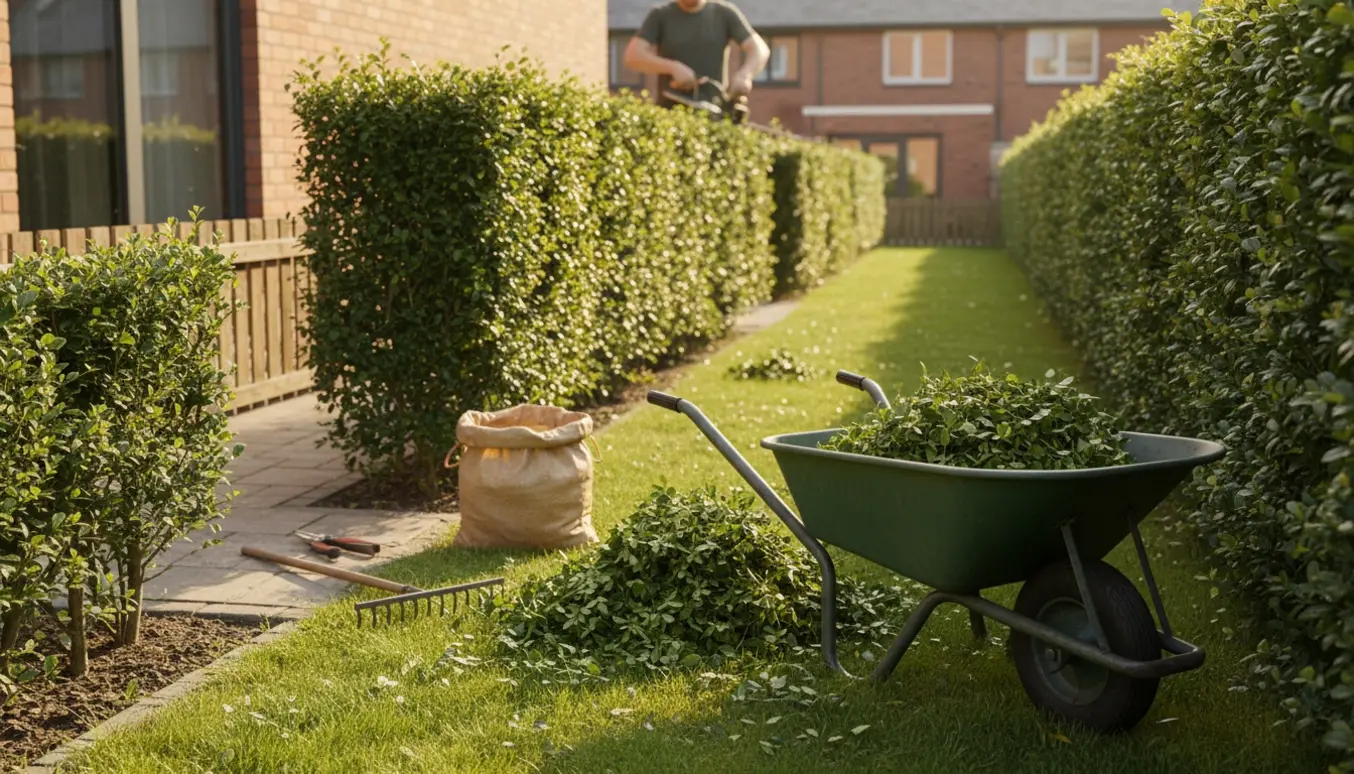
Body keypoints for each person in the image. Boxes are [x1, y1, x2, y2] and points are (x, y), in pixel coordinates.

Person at [623, 0, 770, 110]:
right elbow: (633, 55)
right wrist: (673, 67)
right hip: (671, 112)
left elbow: (759, 50)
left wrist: (745, 75)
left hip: (715, 110)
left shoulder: (724, 13)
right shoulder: (660, 15)